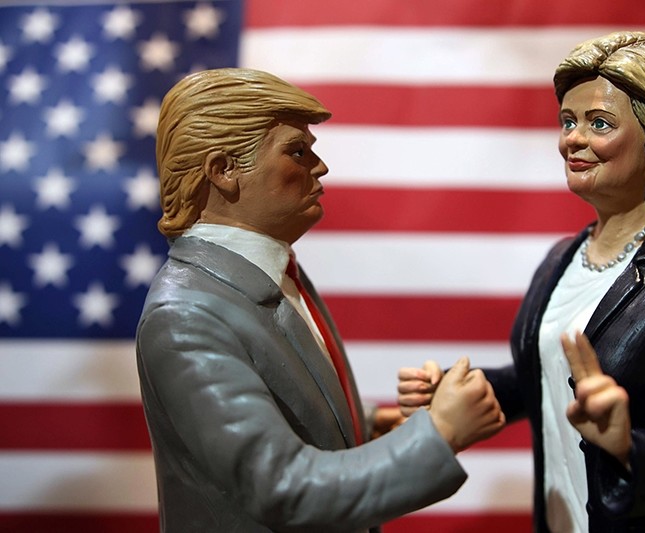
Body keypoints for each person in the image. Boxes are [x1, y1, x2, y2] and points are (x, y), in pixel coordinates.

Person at [398, 31, 645, 532]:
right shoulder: (562, 258)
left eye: (599, 123)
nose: (572, 139)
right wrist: (459, 387)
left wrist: (628, 447)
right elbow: (545, 375)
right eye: (567, 121)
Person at [135, 67, 505, 533]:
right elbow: (283, 486)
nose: (320, 166)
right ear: (224, 170)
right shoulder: (186, 316)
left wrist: (376, 423)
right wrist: (440, 433)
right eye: (296, 151)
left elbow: (281, 401)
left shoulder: (270, 275)